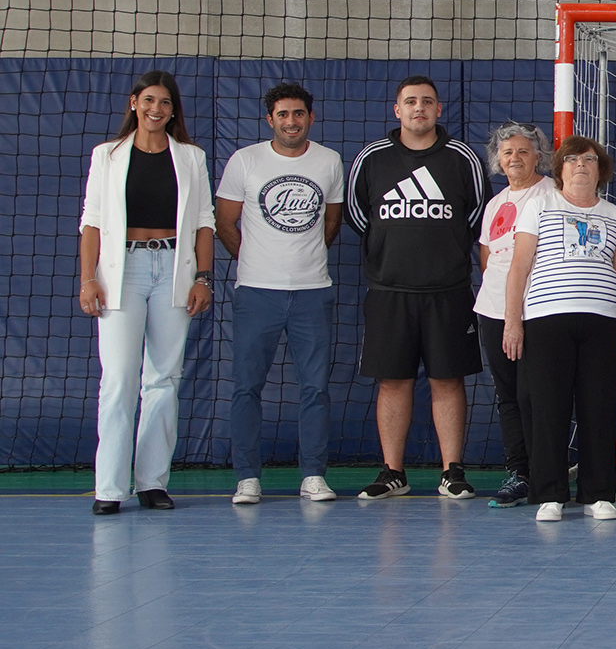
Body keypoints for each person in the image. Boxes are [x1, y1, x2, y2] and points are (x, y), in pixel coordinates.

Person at [344, 75, 488, 500]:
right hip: (390, 290)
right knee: (393, 381)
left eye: (427, 101)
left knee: (448, 380)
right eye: (410, 102)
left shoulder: (461, 157)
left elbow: (475, 214)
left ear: (439, 110)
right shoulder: (373, 157)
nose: (419, 108)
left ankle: (453, 471)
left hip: (448, 290)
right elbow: (358, 213)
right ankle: (393, 472)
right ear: (397, 110)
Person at [78, 71, 215, 515]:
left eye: (165, 103)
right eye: (149, 101)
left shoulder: (191, 157)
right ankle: (109, 489)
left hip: (175, 270)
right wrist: (88, 278)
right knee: (118, 380)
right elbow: (92, 222)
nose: (156, 109)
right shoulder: (107, 155)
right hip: (122, 272)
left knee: (162, 379)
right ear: (134, 103)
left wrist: (203, 278)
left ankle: (152, 482)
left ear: (173, 111)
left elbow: (204, 222)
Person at [217, 81, 345, 505]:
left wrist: (301, 260)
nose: (292, 121)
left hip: (313, 293)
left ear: (310, 117)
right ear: (270, 118)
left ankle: (313, 475)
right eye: (283, 114)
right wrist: (256, 261)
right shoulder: (245, 161)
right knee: (246, 387)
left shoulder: (329, 161)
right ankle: (247, 478)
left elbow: (330, 223)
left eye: (299, 114)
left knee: (315, 389)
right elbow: (225, 223)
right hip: (257, 292)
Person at [502, 135, 616, 523]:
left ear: (601, 170)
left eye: (590, 160)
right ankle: (549, 493)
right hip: (547, 319)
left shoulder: (615, 215)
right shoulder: (540, 206)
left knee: (598, 406)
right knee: (548, 408)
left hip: (603, 321)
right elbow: (519, 267)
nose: (581, 165)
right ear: (560, 168)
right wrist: (514, 321)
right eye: (573, 159)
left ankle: (598, 494)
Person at [473, 122, 555, 508]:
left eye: (523, 151)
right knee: (507, 395)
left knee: (534, 394)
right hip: (492, 310)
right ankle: (519, 471)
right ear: (497, 160)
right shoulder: (495, 202)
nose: (515, 158)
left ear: (538, 155)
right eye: (508, 153)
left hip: (537, 311)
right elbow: (488, 258)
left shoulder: (552, 194)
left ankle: (545, 472)